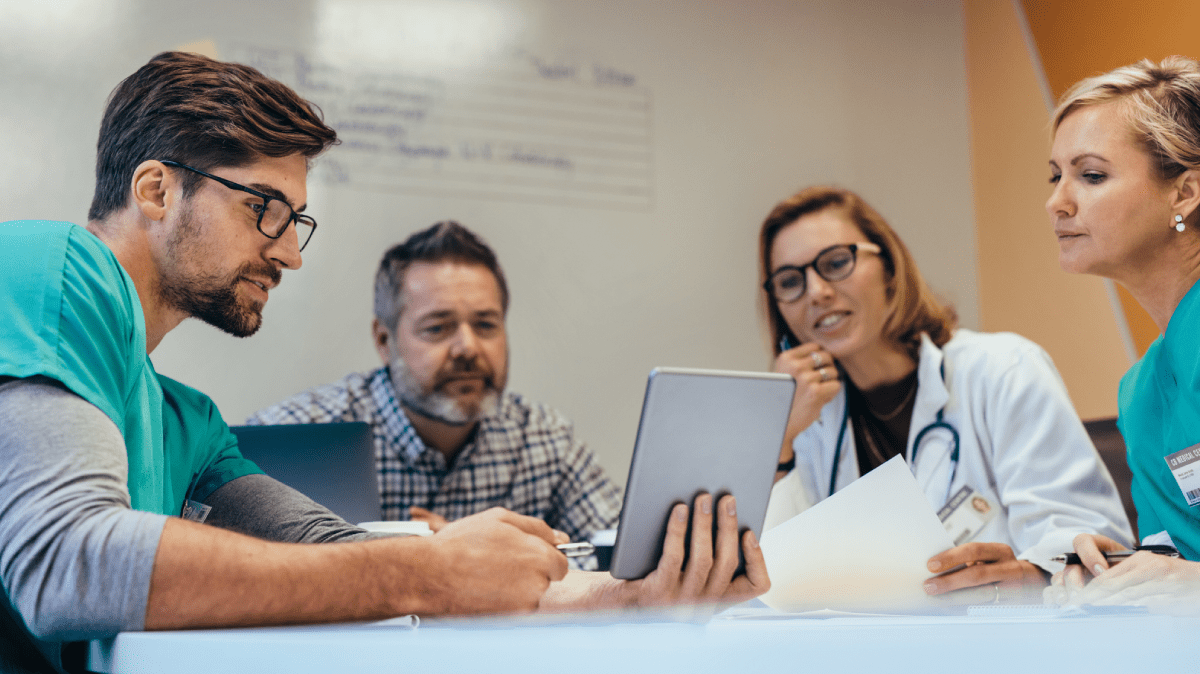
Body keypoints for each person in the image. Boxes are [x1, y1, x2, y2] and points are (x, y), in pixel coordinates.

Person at [0, 51, 767, 674]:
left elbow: (340, 556)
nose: (291, 253)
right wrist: (434, 570)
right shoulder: (59, 266)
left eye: (297, 220)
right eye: (263, 208)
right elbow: (67, 563)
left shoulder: (187, 423)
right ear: (156, 189)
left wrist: (623, 598)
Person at [758, 185, 1131, 603]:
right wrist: (781, 436)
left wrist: (1025, 578)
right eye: (790, 281)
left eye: (836, 262)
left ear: (888, 266)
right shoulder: (807, 423)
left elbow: (1087, 544)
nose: (816, 292)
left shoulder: (1001, 370)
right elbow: (773, 584)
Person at [246, 221, 622, 567]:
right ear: (384, 340)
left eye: (486, 325)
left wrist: (488, 556)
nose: (468, 348)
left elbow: (623, 559)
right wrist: (433, 558)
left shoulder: (544, 438)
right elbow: (248, 574)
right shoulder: (294, 436)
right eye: (438, 328)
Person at [1043, 56, 1200, 611]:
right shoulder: (1140, 393)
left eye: (1090, 175)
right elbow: (1177, 558)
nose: (1057, 201)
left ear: (1184, 193)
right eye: (1055, 175)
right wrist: (1122, 570)